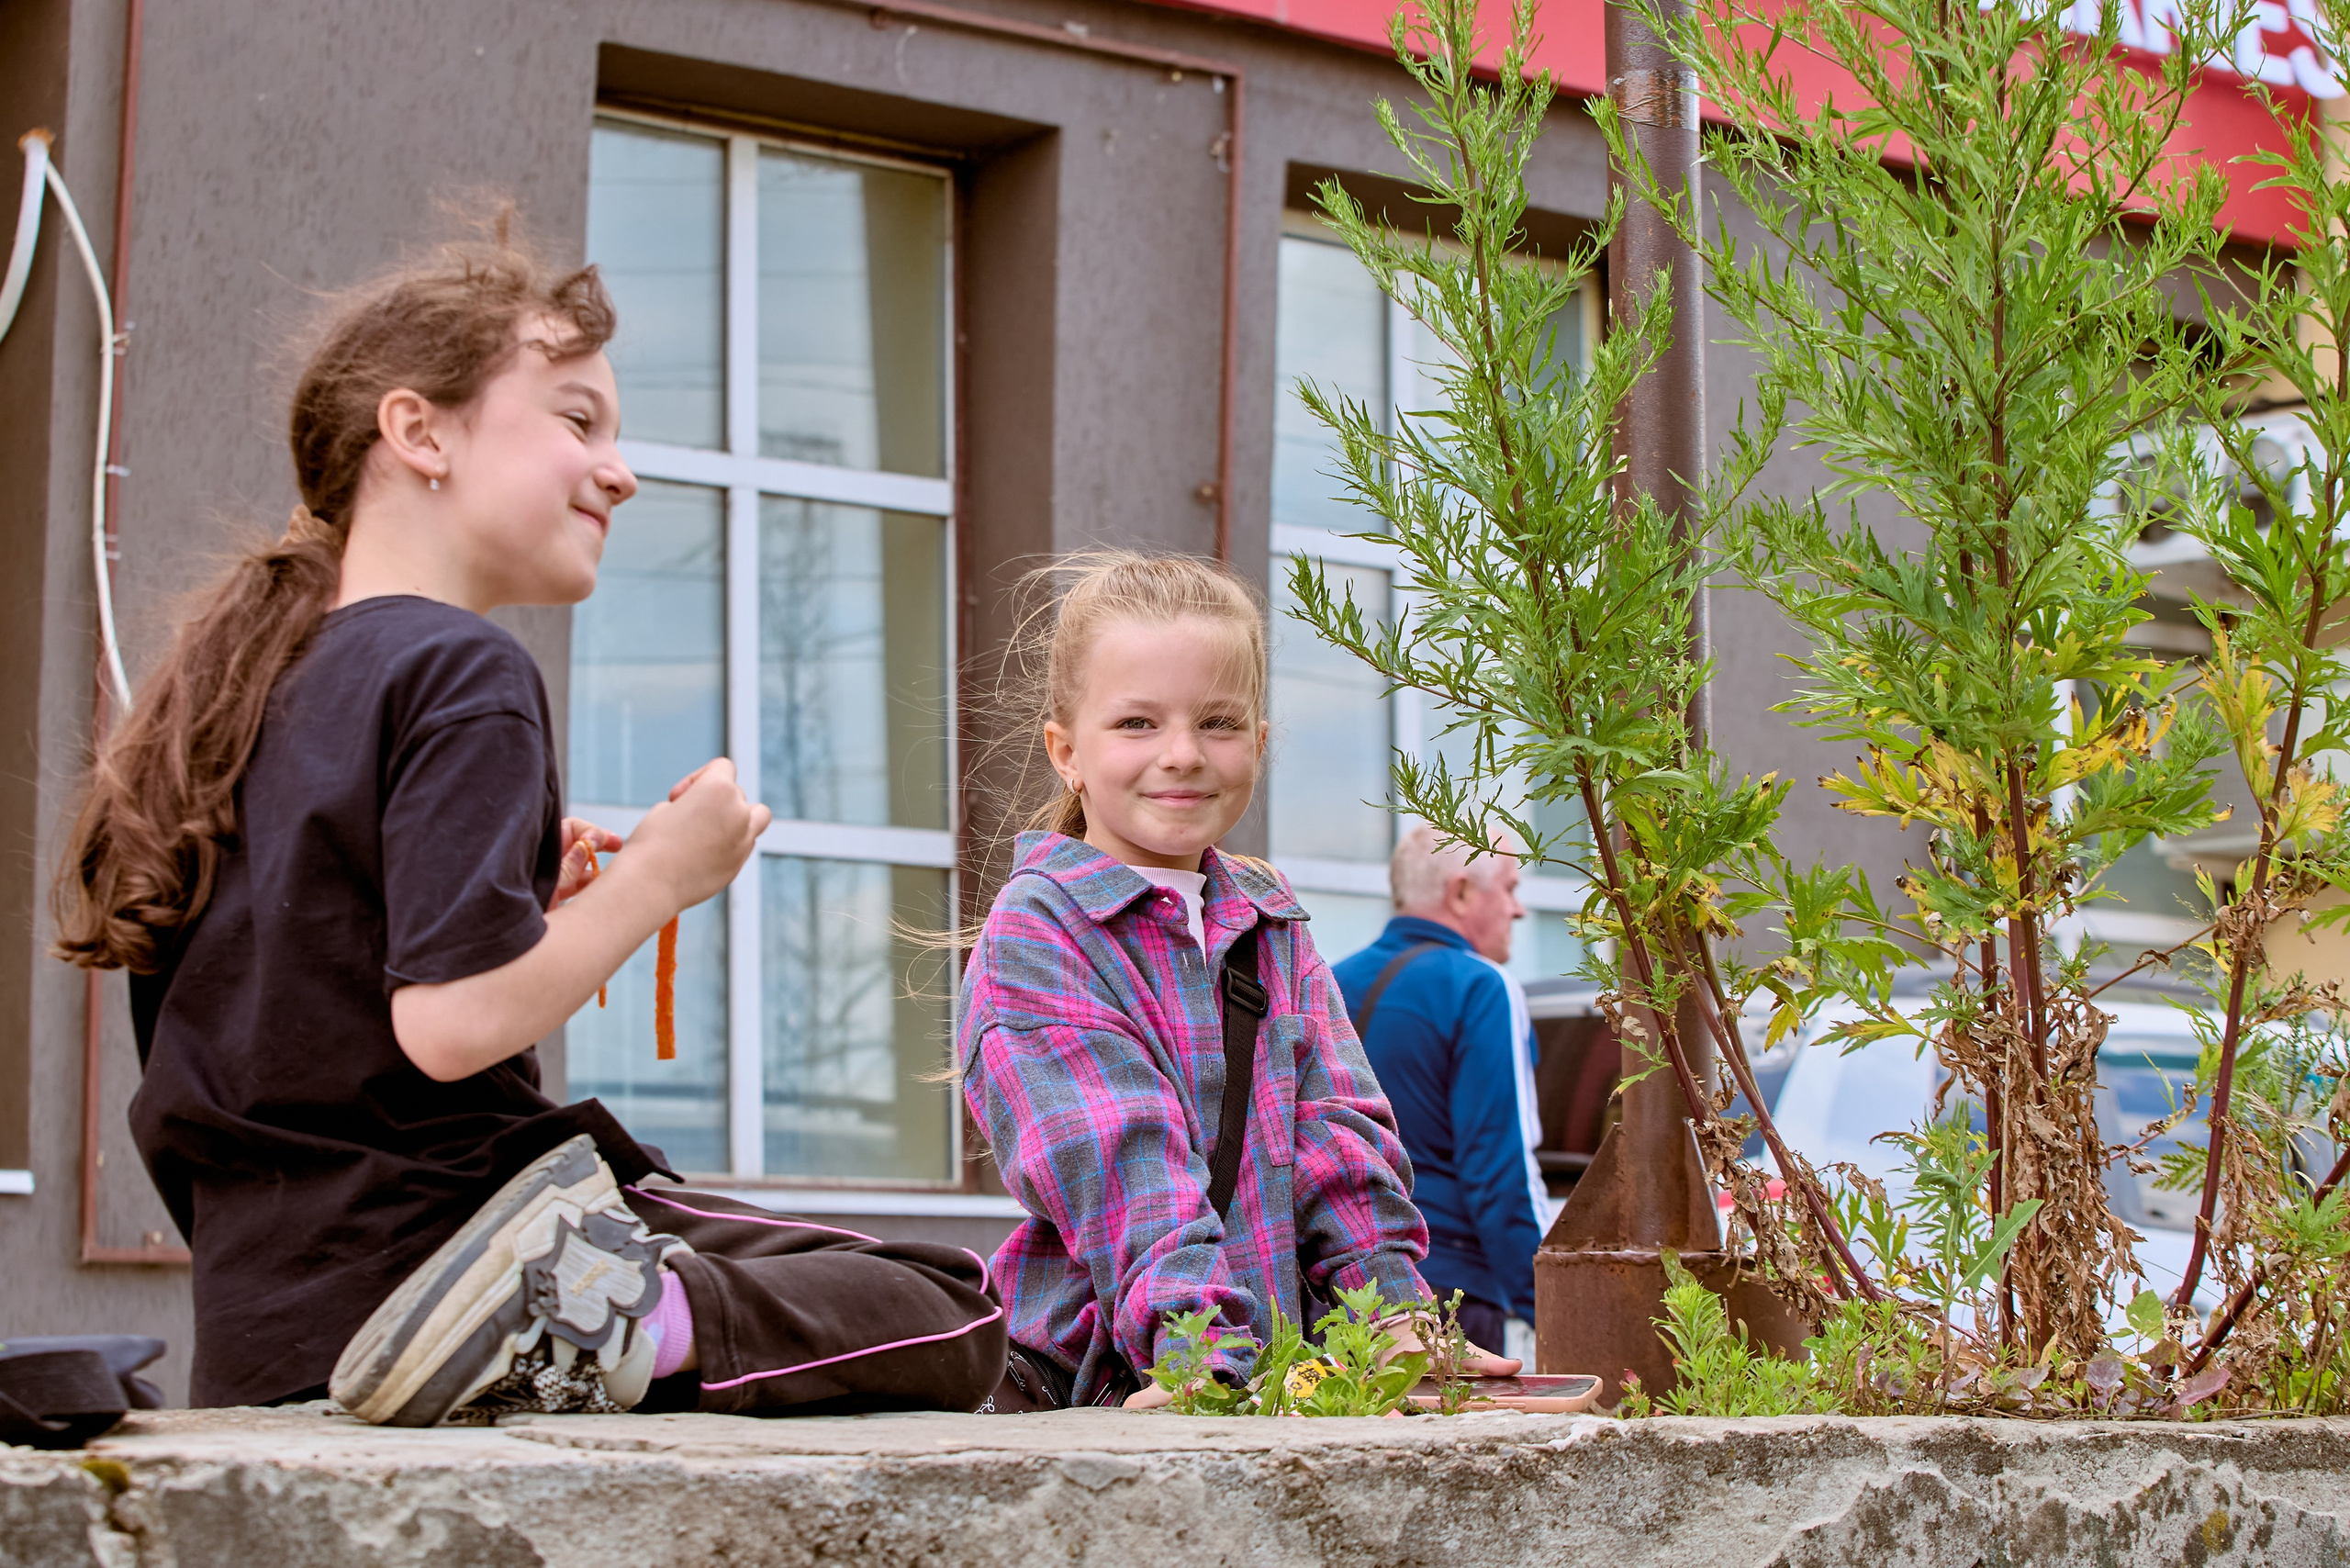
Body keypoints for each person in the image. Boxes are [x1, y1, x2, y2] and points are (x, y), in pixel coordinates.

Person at [52, 224, 1004, 1423]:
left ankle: (569, 1324)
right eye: (577, 421)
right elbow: (450, 1026)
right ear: (419, 433)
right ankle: (594, 1319)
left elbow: (301, 1010)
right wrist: (658, 878)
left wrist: (529, 909)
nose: (622, 471)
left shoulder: (243, 692)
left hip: (271, 1323)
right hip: (452, 1245)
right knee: (952, 1303)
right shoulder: (460, 667)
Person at [957, 552, 1521, 1410]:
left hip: (1270, 1381)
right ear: (1067, 751)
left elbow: (1337, 1135)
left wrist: (1399, 1322)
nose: (1182, 755)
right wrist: (1200, 1357)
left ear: (1259, 742)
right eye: (1137, 724)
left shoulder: (1271, 922)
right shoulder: (1041, 931)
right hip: (1111, 1382)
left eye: (1218, 722)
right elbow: (1119, 1168)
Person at [1332, 824, 1547, 1361]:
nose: (1519, 911)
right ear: (1461, 893)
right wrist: (1549, 1306)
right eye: (1511, 889)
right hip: (1451, 1301)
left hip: (1336, 1299)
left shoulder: (1327, 984)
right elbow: (1502, 1172)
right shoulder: (1481, 987)